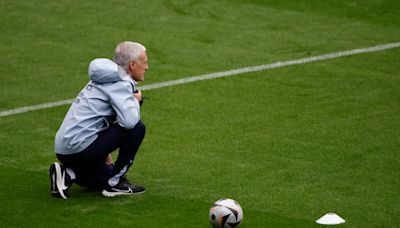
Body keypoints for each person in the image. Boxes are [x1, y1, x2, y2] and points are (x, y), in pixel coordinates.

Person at [50, 41, 149, 199]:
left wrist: (104, 151)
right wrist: (136, 100)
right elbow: (130, 122)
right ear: (132, 65)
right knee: (137, 129)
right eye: (144, 63)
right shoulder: (121, 83)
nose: (147, 67)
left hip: (64, 148)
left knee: (105, 175)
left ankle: (68, 174)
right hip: (80, 149)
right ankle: (115, 185)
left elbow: (100, 117)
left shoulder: (105, 75)